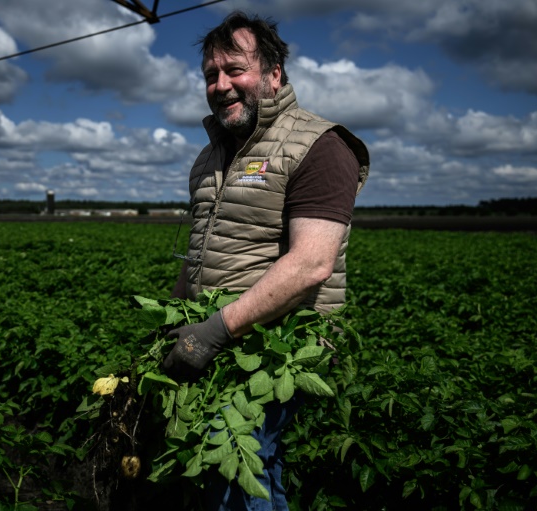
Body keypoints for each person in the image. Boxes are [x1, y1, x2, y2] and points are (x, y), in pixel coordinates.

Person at [161, 11, 370, 511]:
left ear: (274, 74)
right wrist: (174, 319)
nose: (221, 85)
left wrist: (215, 331)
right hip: (219, 334)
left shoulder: (319, 145)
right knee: (252, 468)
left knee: (232, 462)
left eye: (235, 69)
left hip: (275, 347)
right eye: (211, 75)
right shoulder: (211, 156)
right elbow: (198, 251)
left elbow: (311, 264)